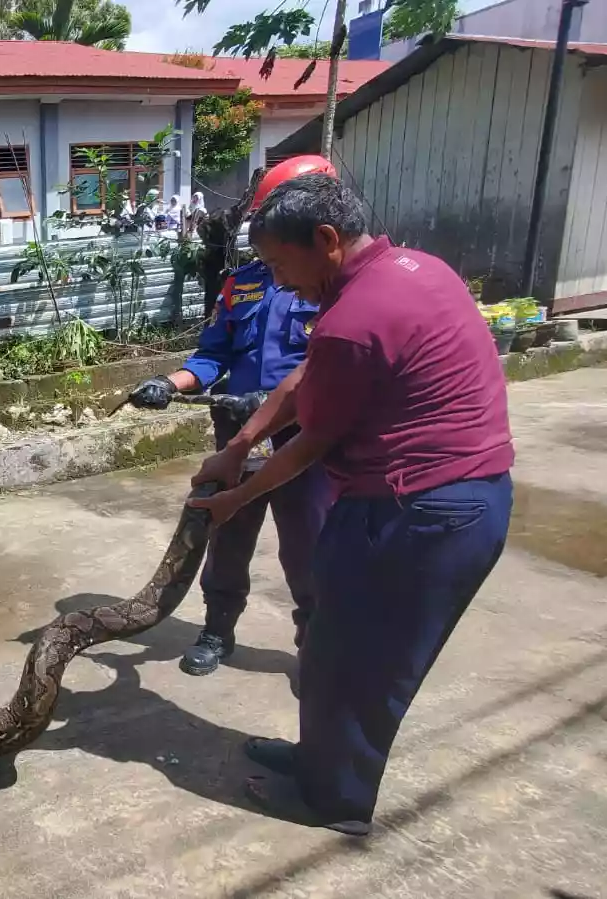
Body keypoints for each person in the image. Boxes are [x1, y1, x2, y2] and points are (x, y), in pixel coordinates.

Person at [187, 174, 514, 837]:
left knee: (359, 662)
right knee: (335, 646)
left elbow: (310, 444)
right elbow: (304, 375)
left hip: (419, 514)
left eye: (280, 263)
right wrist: (238, 443)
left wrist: (236, 497)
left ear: (326, 240)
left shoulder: (352, 318)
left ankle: (330, 799)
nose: (278, 281)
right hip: (455, 500)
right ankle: (318, 760)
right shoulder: (413, 270)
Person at [128, 155, 337, 679]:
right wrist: (168, 383)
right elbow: (212, 355)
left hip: (303, 437)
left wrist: (272, 400)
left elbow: (332, 369)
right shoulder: (241, 284)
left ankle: (316, 644)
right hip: (236, 431)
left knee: (309, 545)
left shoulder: (338, 288)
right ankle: (218, 630)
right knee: (228, 532)